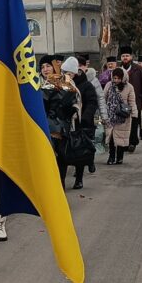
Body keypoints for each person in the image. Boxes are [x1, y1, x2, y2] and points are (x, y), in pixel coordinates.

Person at [42, 60, 82, 188]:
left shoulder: (66, 84)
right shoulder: (39, 84)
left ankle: (59, 186)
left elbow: (75, 104)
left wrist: (69, 111)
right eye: (42, 67)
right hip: (44, 126)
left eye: (48, 66)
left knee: (59, 157)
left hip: (59, 128)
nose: (45, 69)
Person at [65, 56, 97, 189]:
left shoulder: (86, 85)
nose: (66, 75)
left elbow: (92, 102)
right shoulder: (63, 84)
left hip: (81, 123)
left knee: (80, 151)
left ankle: (79, 178)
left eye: (68, 73)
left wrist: (84, 117)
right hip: (66, 123)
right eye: (64, 73)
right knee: (66, 151)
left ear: (74, 72)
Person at [103, 68, 136, 164]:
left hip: (123, 116)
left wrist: (134, 114)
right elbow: (103, 98)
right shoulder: (109, 85)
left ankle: (120, 156)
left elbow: (132, 102)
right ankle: (111, 156)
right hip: (111, 116)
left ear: (123, 78)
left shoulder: (129, 87)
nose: (116, 80)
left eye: (118, 78)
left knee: (121, 138)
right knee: (111, 138)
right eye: (114, 78)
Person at [119, 46, 142, 151]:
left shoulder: (138, 69)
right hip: (122, 102)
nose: (125, 58)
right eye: (123, 56)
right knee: (123, 123)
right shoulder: (118, 69)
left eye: (127, 56)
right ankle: (124, 143)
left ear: (131, 57)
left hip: (136, 101)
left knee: (134, 122)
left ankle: (133, 142)